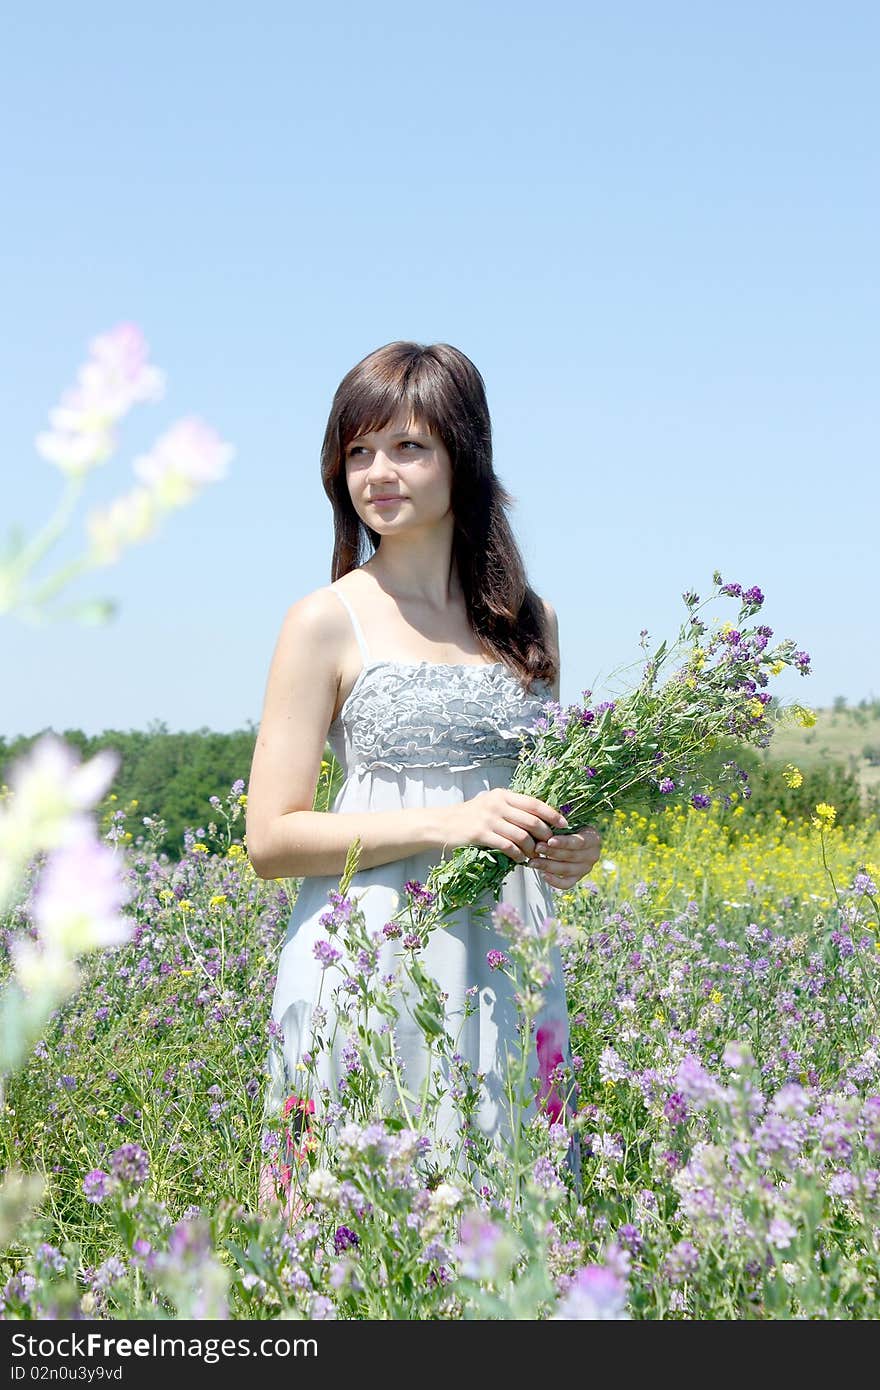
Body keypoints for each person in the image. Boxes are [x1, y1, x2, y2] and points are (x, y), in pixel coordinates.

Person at [246, 341, 601, 1215]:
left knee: (515, 1229)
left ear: (463, 454)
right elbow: (270, 838)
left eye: (408, 447)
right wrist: (452, 823)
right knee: (348, 1232)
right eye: (358, 451)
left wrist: (570, 845)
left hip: (511, 951)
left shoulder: (533, 622)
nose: (377, 473)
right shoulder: (324, 621)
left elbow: (546, 793)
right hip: (368, 954)